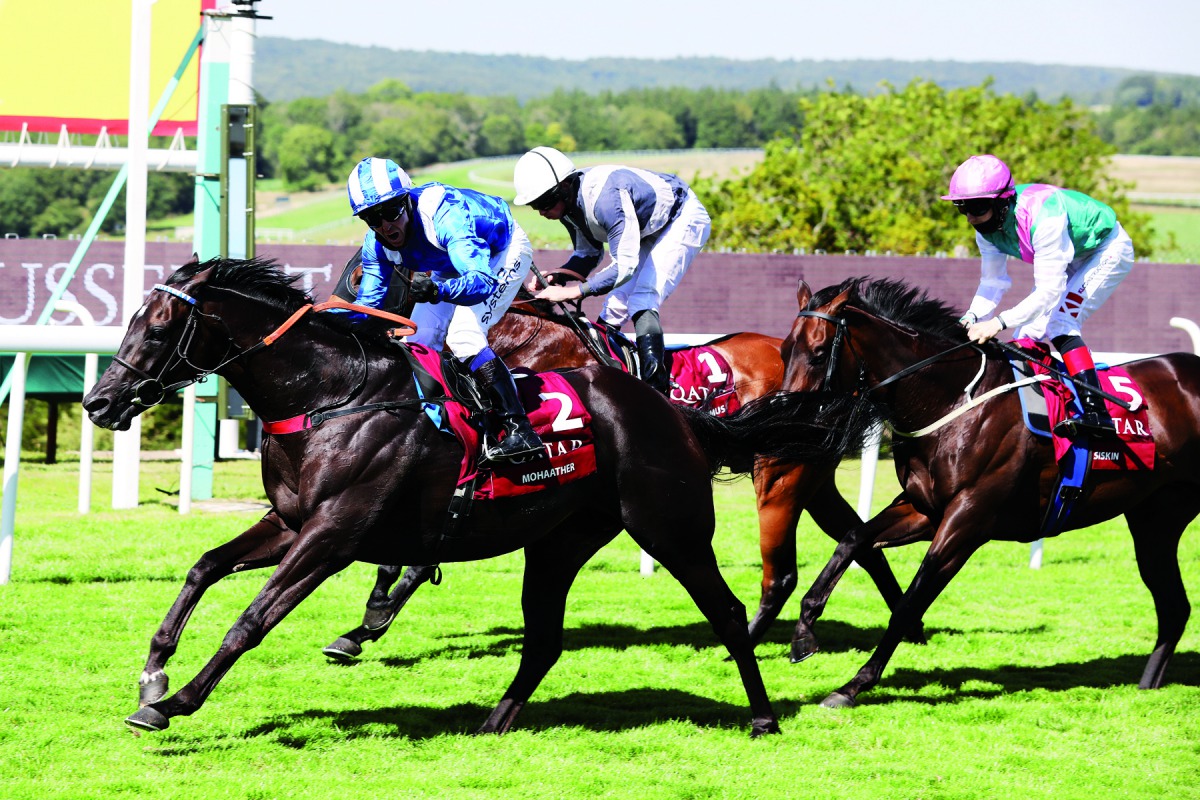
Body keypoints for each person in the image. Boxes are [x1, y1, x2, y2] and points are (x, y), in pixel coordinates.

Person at [345, 156, 543, 462]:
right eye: (372, 217)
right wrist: (321, 318)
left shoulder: (444, 213)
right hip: (451, 264)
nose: (385, 225)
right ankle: (438, 428)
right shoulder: (376, 242)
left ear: (406, 201)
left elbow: (481, 281)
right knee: (417, 345)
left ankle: (520, 429)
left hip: (497, 254)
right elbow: (368, 305)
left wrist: (440, 290)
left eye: (390, 211)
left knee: (464, 335)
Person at [944, 154, 1135, 439]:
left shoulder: (1044, 217)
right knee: (1026, 336)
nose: (971, 217)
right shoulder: (986, 232)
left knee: (1061, 323)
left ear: (1002, 202)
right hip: (1071, 254)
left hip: (1105, 250)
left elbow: (1049, 292)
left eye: (978, 207)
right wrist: (969, 317)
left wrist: (997, 323)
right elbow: (993, 283)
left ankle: (1098, 415)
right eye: (963, 208)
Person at [511, 146, 712, 394]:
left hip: (681, 218)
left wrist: (574, 292)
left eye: (544, 203)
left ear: (564, 186)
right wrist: (560, 275)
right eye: (534, 206)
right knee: (614, 307)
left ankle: (657, 392)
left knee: (643, 297)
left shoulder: (606, 202)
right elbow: (588, 254)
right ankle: (607, 380)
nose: (542, 212)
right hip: (646, 229)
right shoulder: (568, 206)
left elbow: (625, 267)